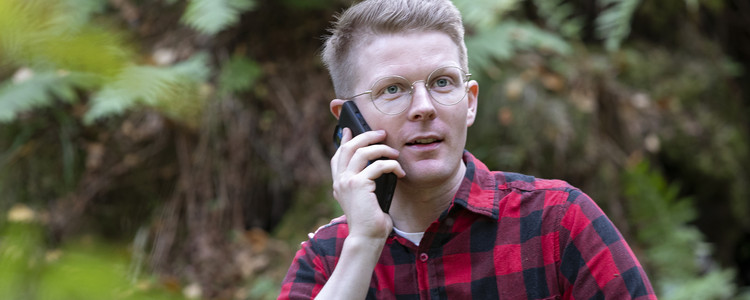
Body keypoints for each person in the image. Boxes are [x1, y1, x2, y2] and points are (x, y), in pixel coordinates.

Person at [278, 0, 656, 299]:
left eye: (442, 82)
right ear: (348, 119)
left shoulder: (558, 223)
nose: (424, 106)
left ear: (470, 102)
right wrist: (364, 243)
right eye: (392, 89)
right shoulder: (327, 259)